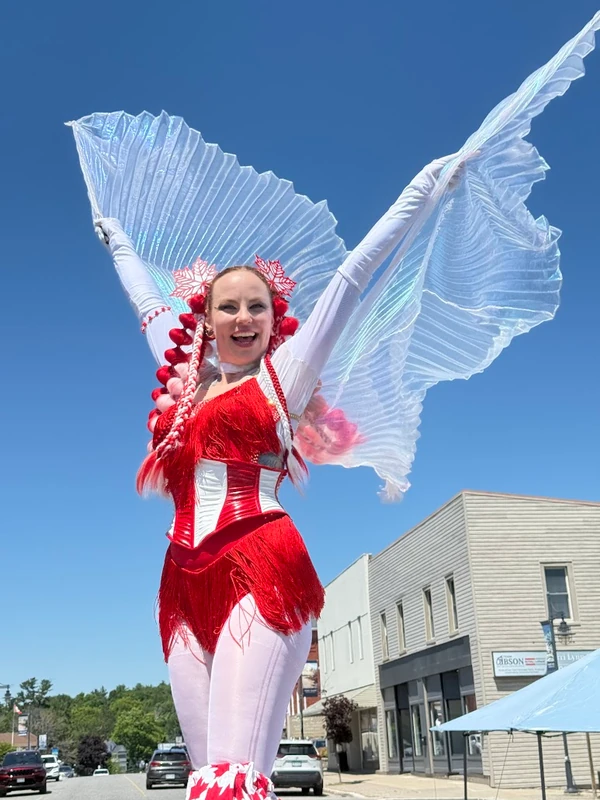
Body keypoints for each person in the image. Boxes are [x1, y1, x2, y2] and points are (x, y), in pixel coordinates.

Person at [94, 153, 460, 800]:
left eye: (256, 307)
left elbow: (351, 279)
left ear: (273, 316)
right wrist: (120, 240)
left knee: (237, 775)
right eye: (228, 307)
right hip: (180, 583)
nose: (242, 318)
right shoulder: (185, 384)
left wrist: (421, 190)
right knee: (203, 777)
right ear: (206, 319)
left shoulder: (283, 377)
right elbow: (145, 300)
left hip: (259, 566)